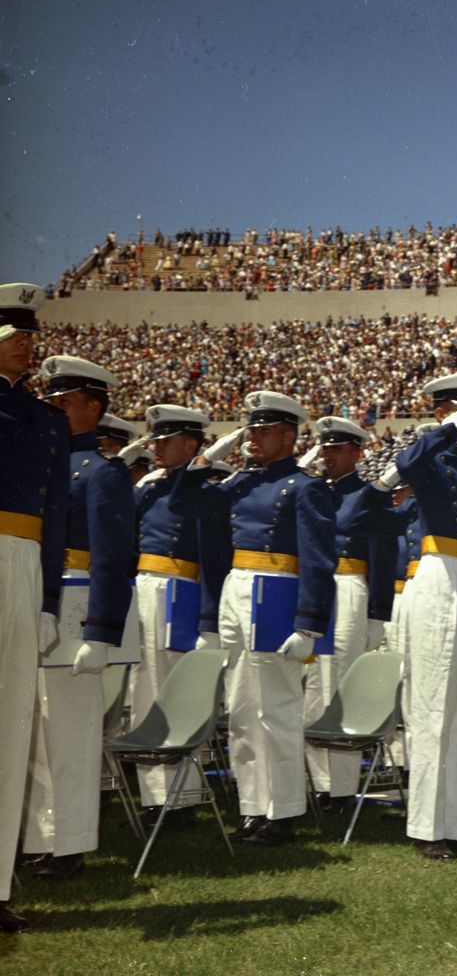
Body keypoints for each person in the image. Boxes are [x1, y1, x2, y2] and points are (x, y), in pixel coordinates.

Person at [172, 391, 337, 846]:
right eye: (251, 431)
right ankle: (252, 808)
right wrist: (207, 457)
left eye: (264, 432)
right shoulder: (240, 483)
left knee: (277, 709)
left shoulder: (305, 487)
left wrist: (309, 624)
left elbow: (319, 559)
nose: (254, 440)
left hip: (277, 594)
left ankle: (282, 810)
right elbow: (184, 503)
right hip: (238, 591)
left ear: (289, 435)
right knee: (243, 710)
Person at [362, 372, 457, 860]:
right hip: (437, 572)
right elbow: (403, 464)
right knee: (432, 705)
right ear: (443, 410)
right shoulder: (429, 454)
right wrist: (441, 430)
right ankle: (426, 827)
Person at [21, 356, 135, 879]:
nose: (55, 410)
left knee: (70, 731)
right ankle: (43, 837)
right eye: (52, 402)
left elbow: (113, 557)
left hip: (78, 610)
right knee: (39, 731)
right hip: (42, 603)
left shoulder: (103, 473)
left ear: (93, 407)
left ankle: (70, 844)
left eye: (65, 403)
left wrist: (102, 630)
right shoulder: (46, 463)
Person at [0, 284, 70, 933]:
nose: (26, 345)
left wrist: (48, 597)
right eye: (13, 335)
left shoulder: (46, 421)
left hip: (21, 566)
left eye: (28, 336)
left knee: (13, 722)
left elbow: (52, 519)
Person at [131, 404, 222, 826]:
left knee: (173, 691)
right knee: (144, 692)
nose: (157, 448)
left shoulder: (206, 490)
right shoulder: (150, 487)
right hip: (144, 588)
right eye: (155, 440)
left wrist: (207, 618)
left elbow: (210, 556)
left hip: (178, 591)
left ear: (190, 445)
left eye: (166, 441)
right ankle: (155, 797)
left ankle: (182, 796)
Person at [306, 415, 395, 809]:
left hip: (348, 588)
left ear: (358, 453)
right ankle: (317, 781)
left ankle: (340, 789)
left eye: (338, 450)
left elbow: (381, 553)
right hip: (316, 590)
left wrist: (377, 613)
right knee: (312, 684)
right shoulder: (314, 491)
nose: (329, 457)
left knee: (339, 681)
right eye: (326, 449)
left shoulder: (366, 496)